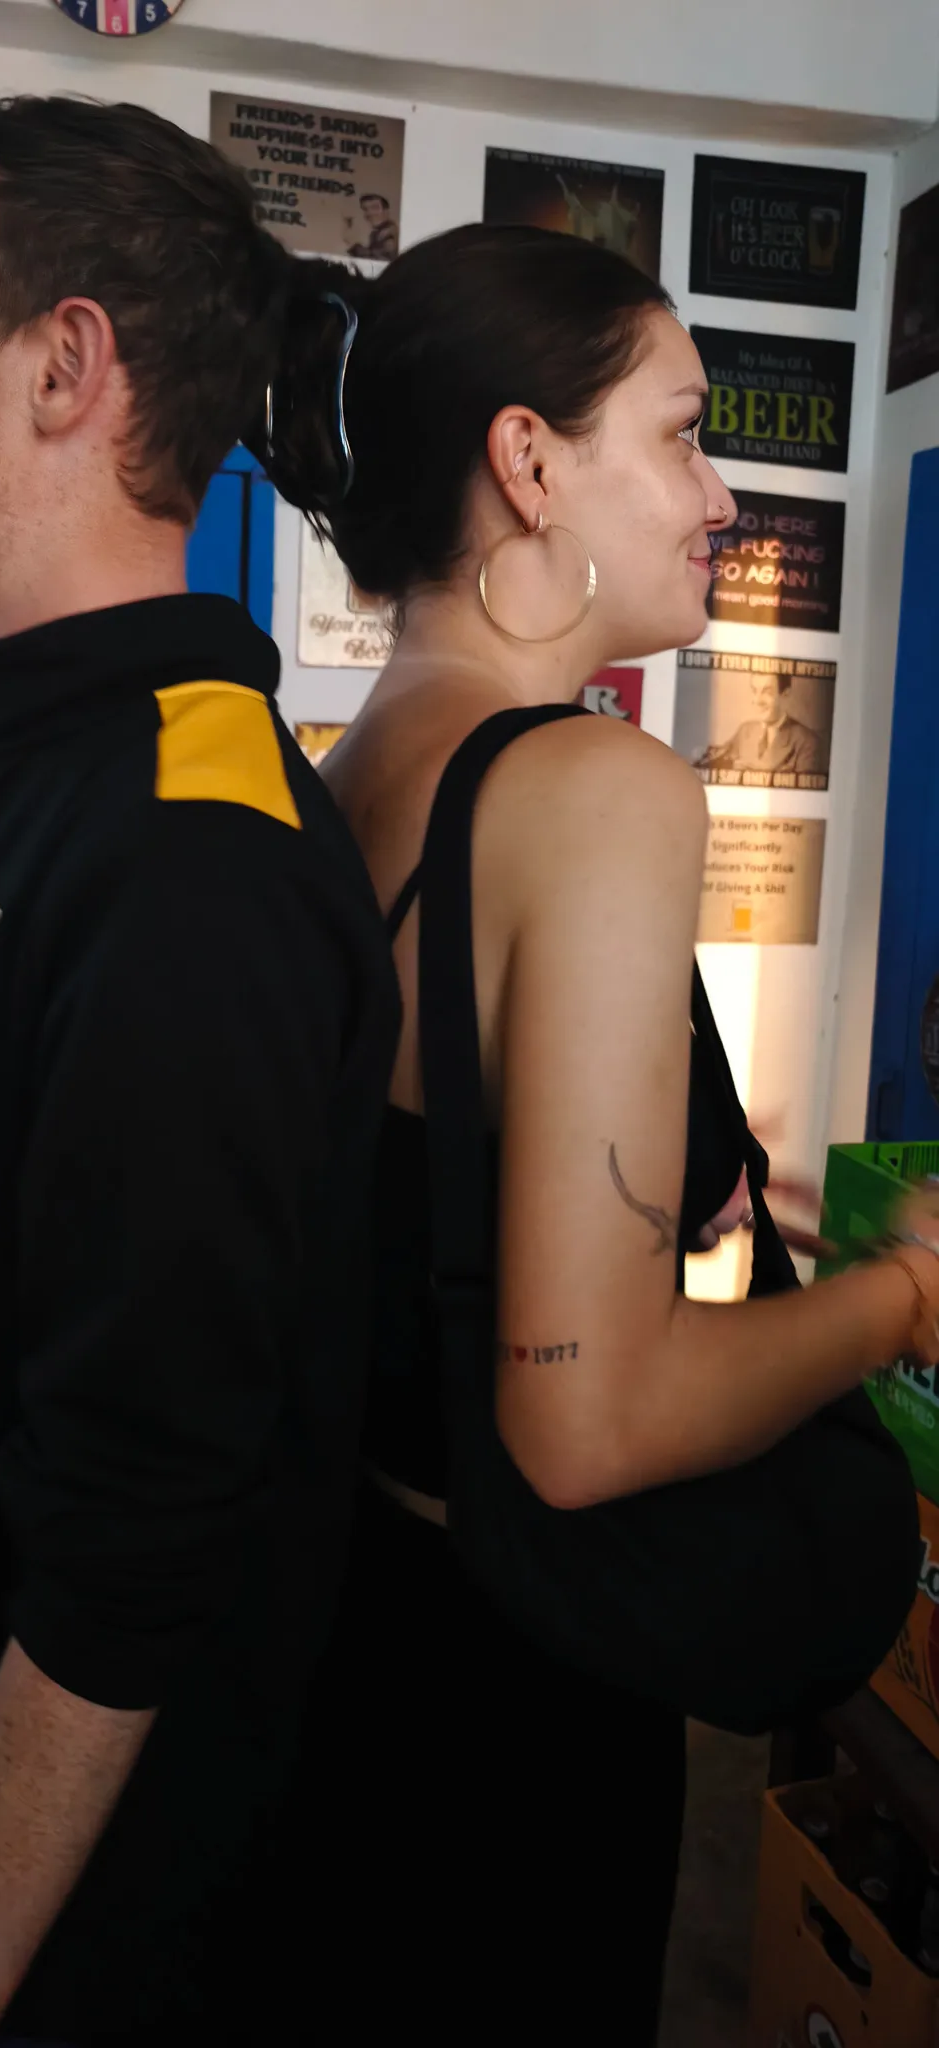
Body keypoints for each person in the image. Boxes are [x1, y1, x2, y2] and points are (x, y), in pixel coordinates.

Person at [248, 224, 939, 2039]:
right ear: (529, 461)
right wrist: (897, 1293)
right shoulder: (592, 788)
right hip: (511, 1701)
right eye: (683, 432)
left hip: (333, 1639)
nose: (720, 493)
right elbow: (582, 1416)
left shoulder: (345, 768)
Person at [0, 97, 399, 2047]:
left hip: (36, 1962)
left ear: (63, 366)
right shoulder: (16, 749)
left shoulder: (191, 845)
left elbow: (139, 1525)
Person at [698, 668, 827, 776]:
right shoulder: (745, 731)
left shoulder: (808, 742)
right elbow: (715, 761)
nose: (757, 700)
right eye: (755, 691)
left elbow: (803, 797)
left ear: (785, 694)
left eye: (767, 692)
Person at [346, 192, 398, 261]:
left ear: (386, 211)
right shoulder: (375, 233)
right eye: (365, 209)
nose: (369, 213)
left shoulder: (390, 231)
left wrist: (355, 247)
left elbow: (385, 260)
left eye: (375, 208)